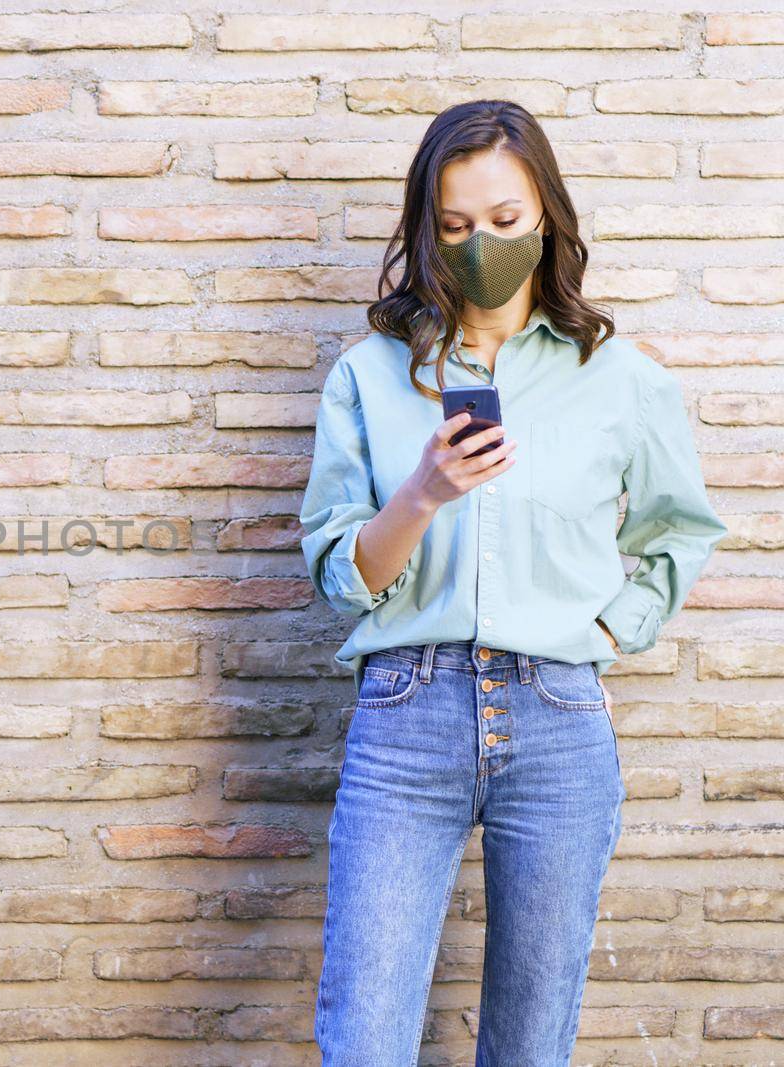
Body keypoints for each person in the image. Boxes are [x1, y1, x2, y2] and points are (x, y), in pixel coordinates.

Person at [299, 100, 724, 1064]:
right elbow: (337, 574)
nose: (480, 244)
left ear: (546, 218)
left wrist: (608, 635)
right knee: (364, 1030)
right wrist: (421, 492)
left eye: (503, 220)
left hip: (558, 717)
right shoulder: (370, 374)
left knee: (532, 1038)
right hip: (407, 713)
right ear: (424, 230)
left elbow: (679, 532)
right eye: (453, 226)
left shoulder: (618, 377)